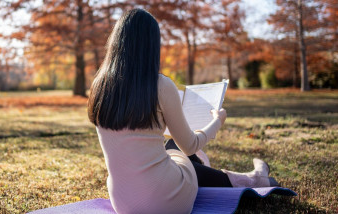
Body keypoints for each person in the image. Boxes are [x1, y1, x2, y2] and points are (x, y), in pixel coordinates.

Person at [88, 9, 278, 214]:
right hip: (167, 203)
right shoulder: (160, 85)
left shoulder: (99, 86)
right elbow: (190, 145)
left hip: (123, 204)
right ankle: (251, 179)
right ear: (151, 45)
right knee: (185, 155)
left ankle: (250, 178)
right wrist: (217, 121)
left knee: (171, 147)